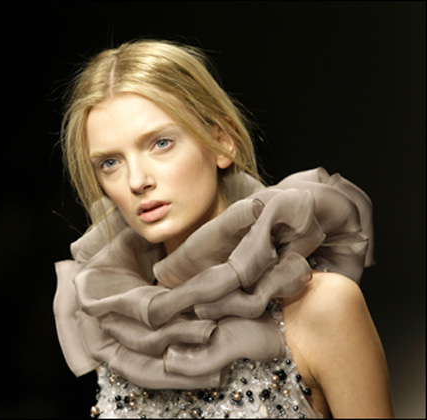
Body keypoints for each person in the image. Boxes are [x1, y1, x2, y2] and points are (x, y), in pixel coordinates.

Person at [53, 39, 394, 418]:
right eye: (110, 163)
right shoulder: (119, 322)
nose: (136, 181)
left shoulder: (321, 305)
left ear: (221, 141)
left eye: (161, 143)